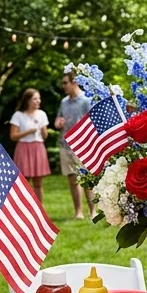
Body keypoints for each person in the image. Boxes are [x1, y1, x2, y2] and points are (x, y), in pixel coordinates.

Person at [55, 73, 95, 219]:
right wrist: (58, 123)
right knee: (72, 179)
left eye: (65, 83)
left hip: (82, 145)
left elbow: (92, 122)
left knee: (86, 179)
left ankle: (93, 211)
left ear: (75, 83)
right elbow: (58, 119)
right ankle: (78, 212)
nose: (63, 86)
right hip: (65, 144)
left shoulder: (86, 100)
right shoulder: (64, 102)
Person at [9, 88, 50, 201]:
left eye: (39, 99)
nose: (38, 101)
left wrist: (43, 131)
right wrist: (28, 132)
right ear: (27, 101)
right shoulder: (18, 115)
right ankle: (23, 207)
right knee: (24, 182)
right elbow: (13, 136)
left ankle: (39, 208)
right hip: (23, 148)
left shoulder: (42, 114)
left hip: (38, 147)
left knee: (38, 182)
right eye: (35, 99)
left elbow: (45, 136)